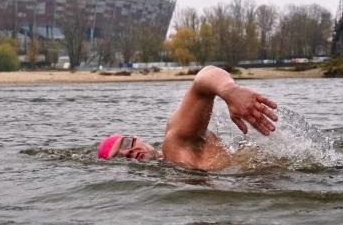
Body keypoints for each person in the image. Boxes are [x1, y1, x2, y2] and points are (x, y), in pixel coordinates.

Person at [97, 65, 278, 171]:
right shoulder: (170, 165)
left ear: (136, 138)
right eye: (119, 159)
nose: (127, 152)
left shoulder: (175, 143)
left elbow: (203, 78)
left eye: (126, 144)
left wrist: (229, 90)